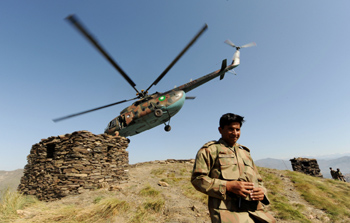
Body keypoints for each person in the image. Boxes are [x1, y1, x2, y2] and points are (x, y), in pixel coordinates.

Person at [191, 113, 276, 223]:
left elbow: (259, 180)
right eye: (231, 129)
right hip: (228, 213)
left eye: (238, 129)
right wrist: (227, 186)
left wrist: (262, 192)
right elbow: (198, 179)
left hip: (255, 211)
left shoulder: (245, 152)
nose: (235, 133)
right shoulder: (209, 150)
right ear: (220, 130)